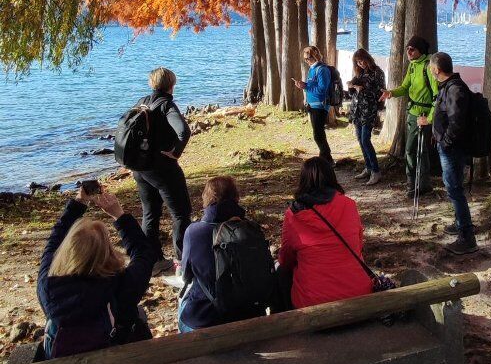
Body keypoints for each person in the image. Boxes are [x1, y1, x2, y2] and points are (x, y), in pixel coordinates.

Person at [37, 186, 154, 358]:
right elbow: (143, 253)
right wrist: (119, 215)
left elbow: (53, 242)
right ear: (106, 252)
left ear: (67, 249)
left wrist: (78, 204)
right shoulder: (121, 285)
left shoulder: (48, 285)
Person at [178, 176, 273, 331]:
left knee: (183, 303)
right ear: (236, 197)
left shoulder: (194, 232)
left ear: (207, 198)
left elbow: (186, 275)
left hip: (205, 317)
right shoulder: (251, 229)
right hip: (249, 313)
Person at [277, 158, 373, 309]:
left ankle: (286, 326)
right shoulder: (349, 205)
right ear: (332, 177)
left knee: (281, 272)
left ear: (303, 181)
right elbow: (358, 245)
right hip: (359, 297)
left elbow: (286, 259)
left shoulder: (293, 215)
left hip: (313, 305)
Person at [132, 67, 192, 273]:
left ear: (152, 84)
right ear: (172, 85)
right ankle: (182, 260)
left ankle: (153, 260)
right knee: (181, 213)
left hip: (140, 168)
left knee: (150, 213)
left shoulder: (142, 102)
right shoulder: (167, 105)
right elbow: (184, 131)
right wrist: (175, 152)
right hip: (162, 169)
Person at [419, 51, 477, 255]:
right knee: (454, 187)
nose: (431, 72)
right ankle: (460, 222)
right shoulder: (448, 87)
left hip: (453, 149)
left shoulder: (455, 89)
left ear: (436, 69)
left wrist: (445, 142)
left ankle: (467, 237)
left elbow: (457, 122)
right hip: (449, 146)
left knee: (454, 189)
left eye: (431, 69)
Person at [381, 35, 438, 197]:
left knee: (415, 150)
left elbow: (436, 95)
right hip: (412, 114)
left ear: (420, 50)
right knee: (416, 149)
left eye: (412, 49)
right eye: (407, 49)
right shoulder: (412, 66)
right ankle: (418, 183)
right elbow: (405, 87)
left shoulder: (429, 66)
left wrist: (429, 118)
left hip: (423, 116)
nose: (409, 52)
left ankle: (416, 184)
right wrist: (391, 93)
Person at [347, 48, 385, 185]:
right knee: (360, 139)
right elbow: (351, 93)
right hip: (357, 110)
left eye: (362, 60)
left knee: (365, 139)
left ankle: (376, 171)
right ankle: (368, 167)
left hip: (369, 110)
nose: (361, 64)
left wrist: (364, 89)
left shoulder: (377, 72)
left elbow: (381, 93)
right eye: (357, 62)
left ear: (367, 58)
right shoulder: (359, 72)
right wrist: (352, 87)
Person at [293, 46, 333, 164]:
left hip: (320, 106)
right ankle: (325, 159)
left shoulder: (322, 70)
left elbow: (322, 89)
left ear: (315, 56)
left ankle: (327, 160)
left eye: (309, 58)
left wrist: (306, 86)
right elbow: (311, 87)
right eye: (305, 59)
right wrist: (303, 86)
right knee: (318, 133)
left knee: (318, 134)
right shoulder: (312, 69)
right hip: (312, 105)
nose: (307, 61)